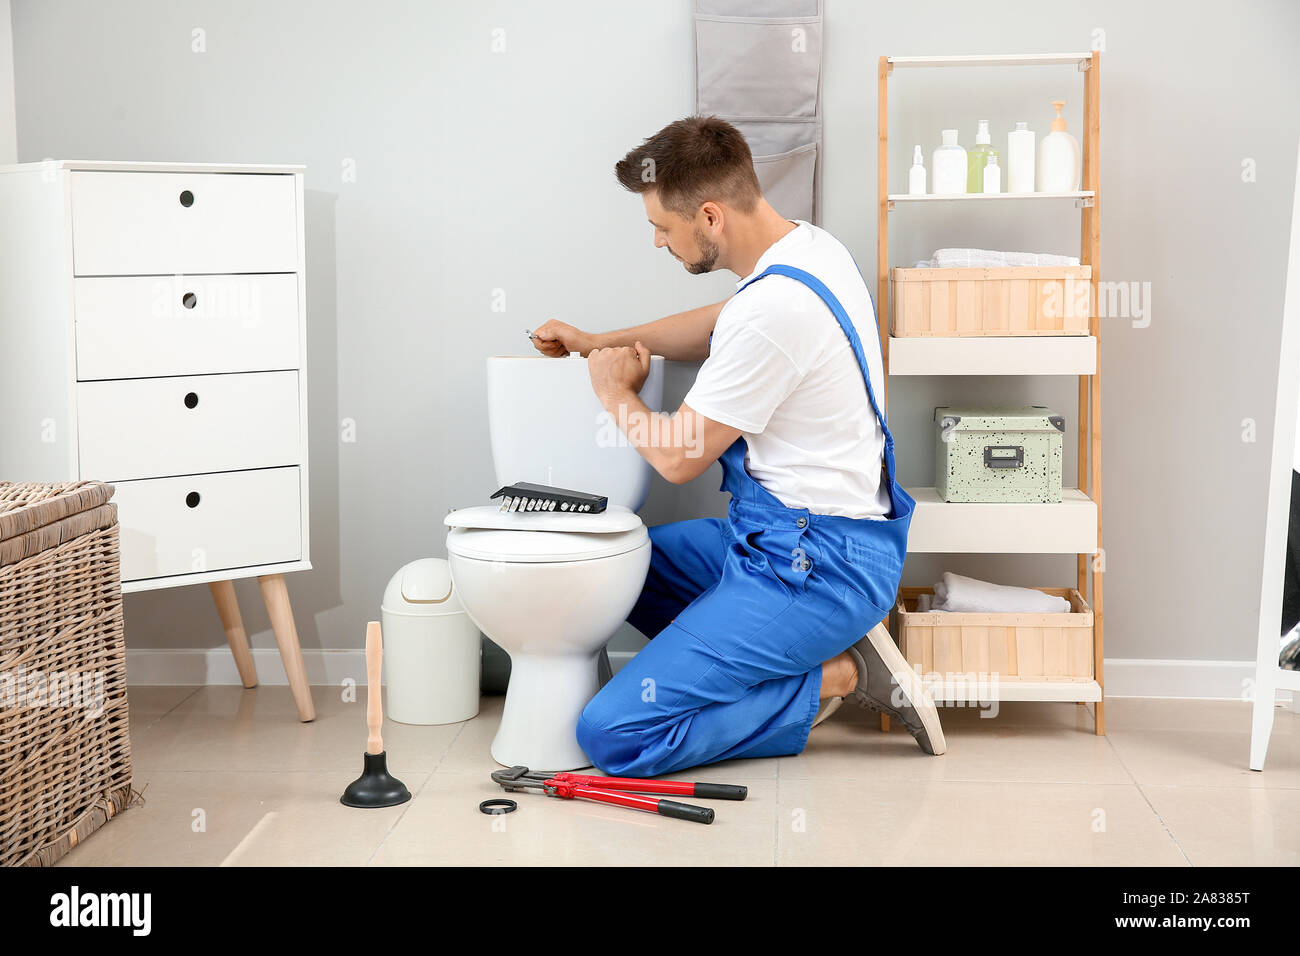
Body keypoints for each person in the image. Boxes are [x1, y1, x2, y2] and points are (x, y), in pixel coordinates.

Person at [530, 116, 945, 776]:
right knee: (613, 574)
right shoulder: (808, 250)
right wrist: (597, 341)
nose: (658, 242)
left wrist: (615, 393)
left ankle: (834, 674)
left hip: (820, 566)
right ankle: (766, 652)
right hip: (773, 537)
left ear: (710, 217)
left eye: (662, 228)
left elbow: (678, 457)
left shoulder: (774, 311)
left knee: (614, 735)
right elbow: (717, 325)